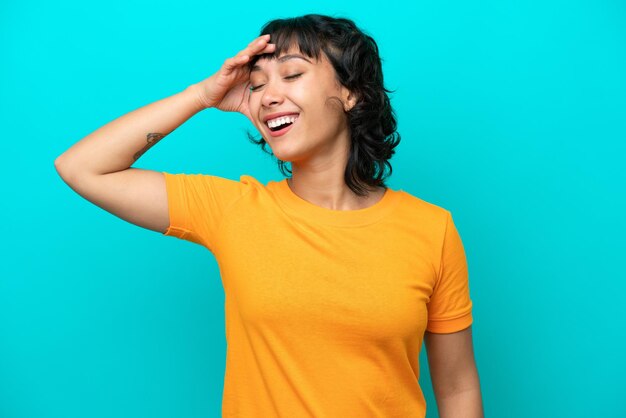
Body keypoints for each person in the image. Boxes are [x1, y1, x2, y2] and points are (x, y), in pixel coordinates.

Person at [55, 13, 483, 418]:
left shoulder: (432, 228)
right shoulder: (233, 208)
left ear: (353, 94)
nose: (268, 96)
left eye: (293, 75)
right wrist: (201, 96)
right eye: (257, 86)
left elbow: (458, 387)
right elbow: (82, 167)